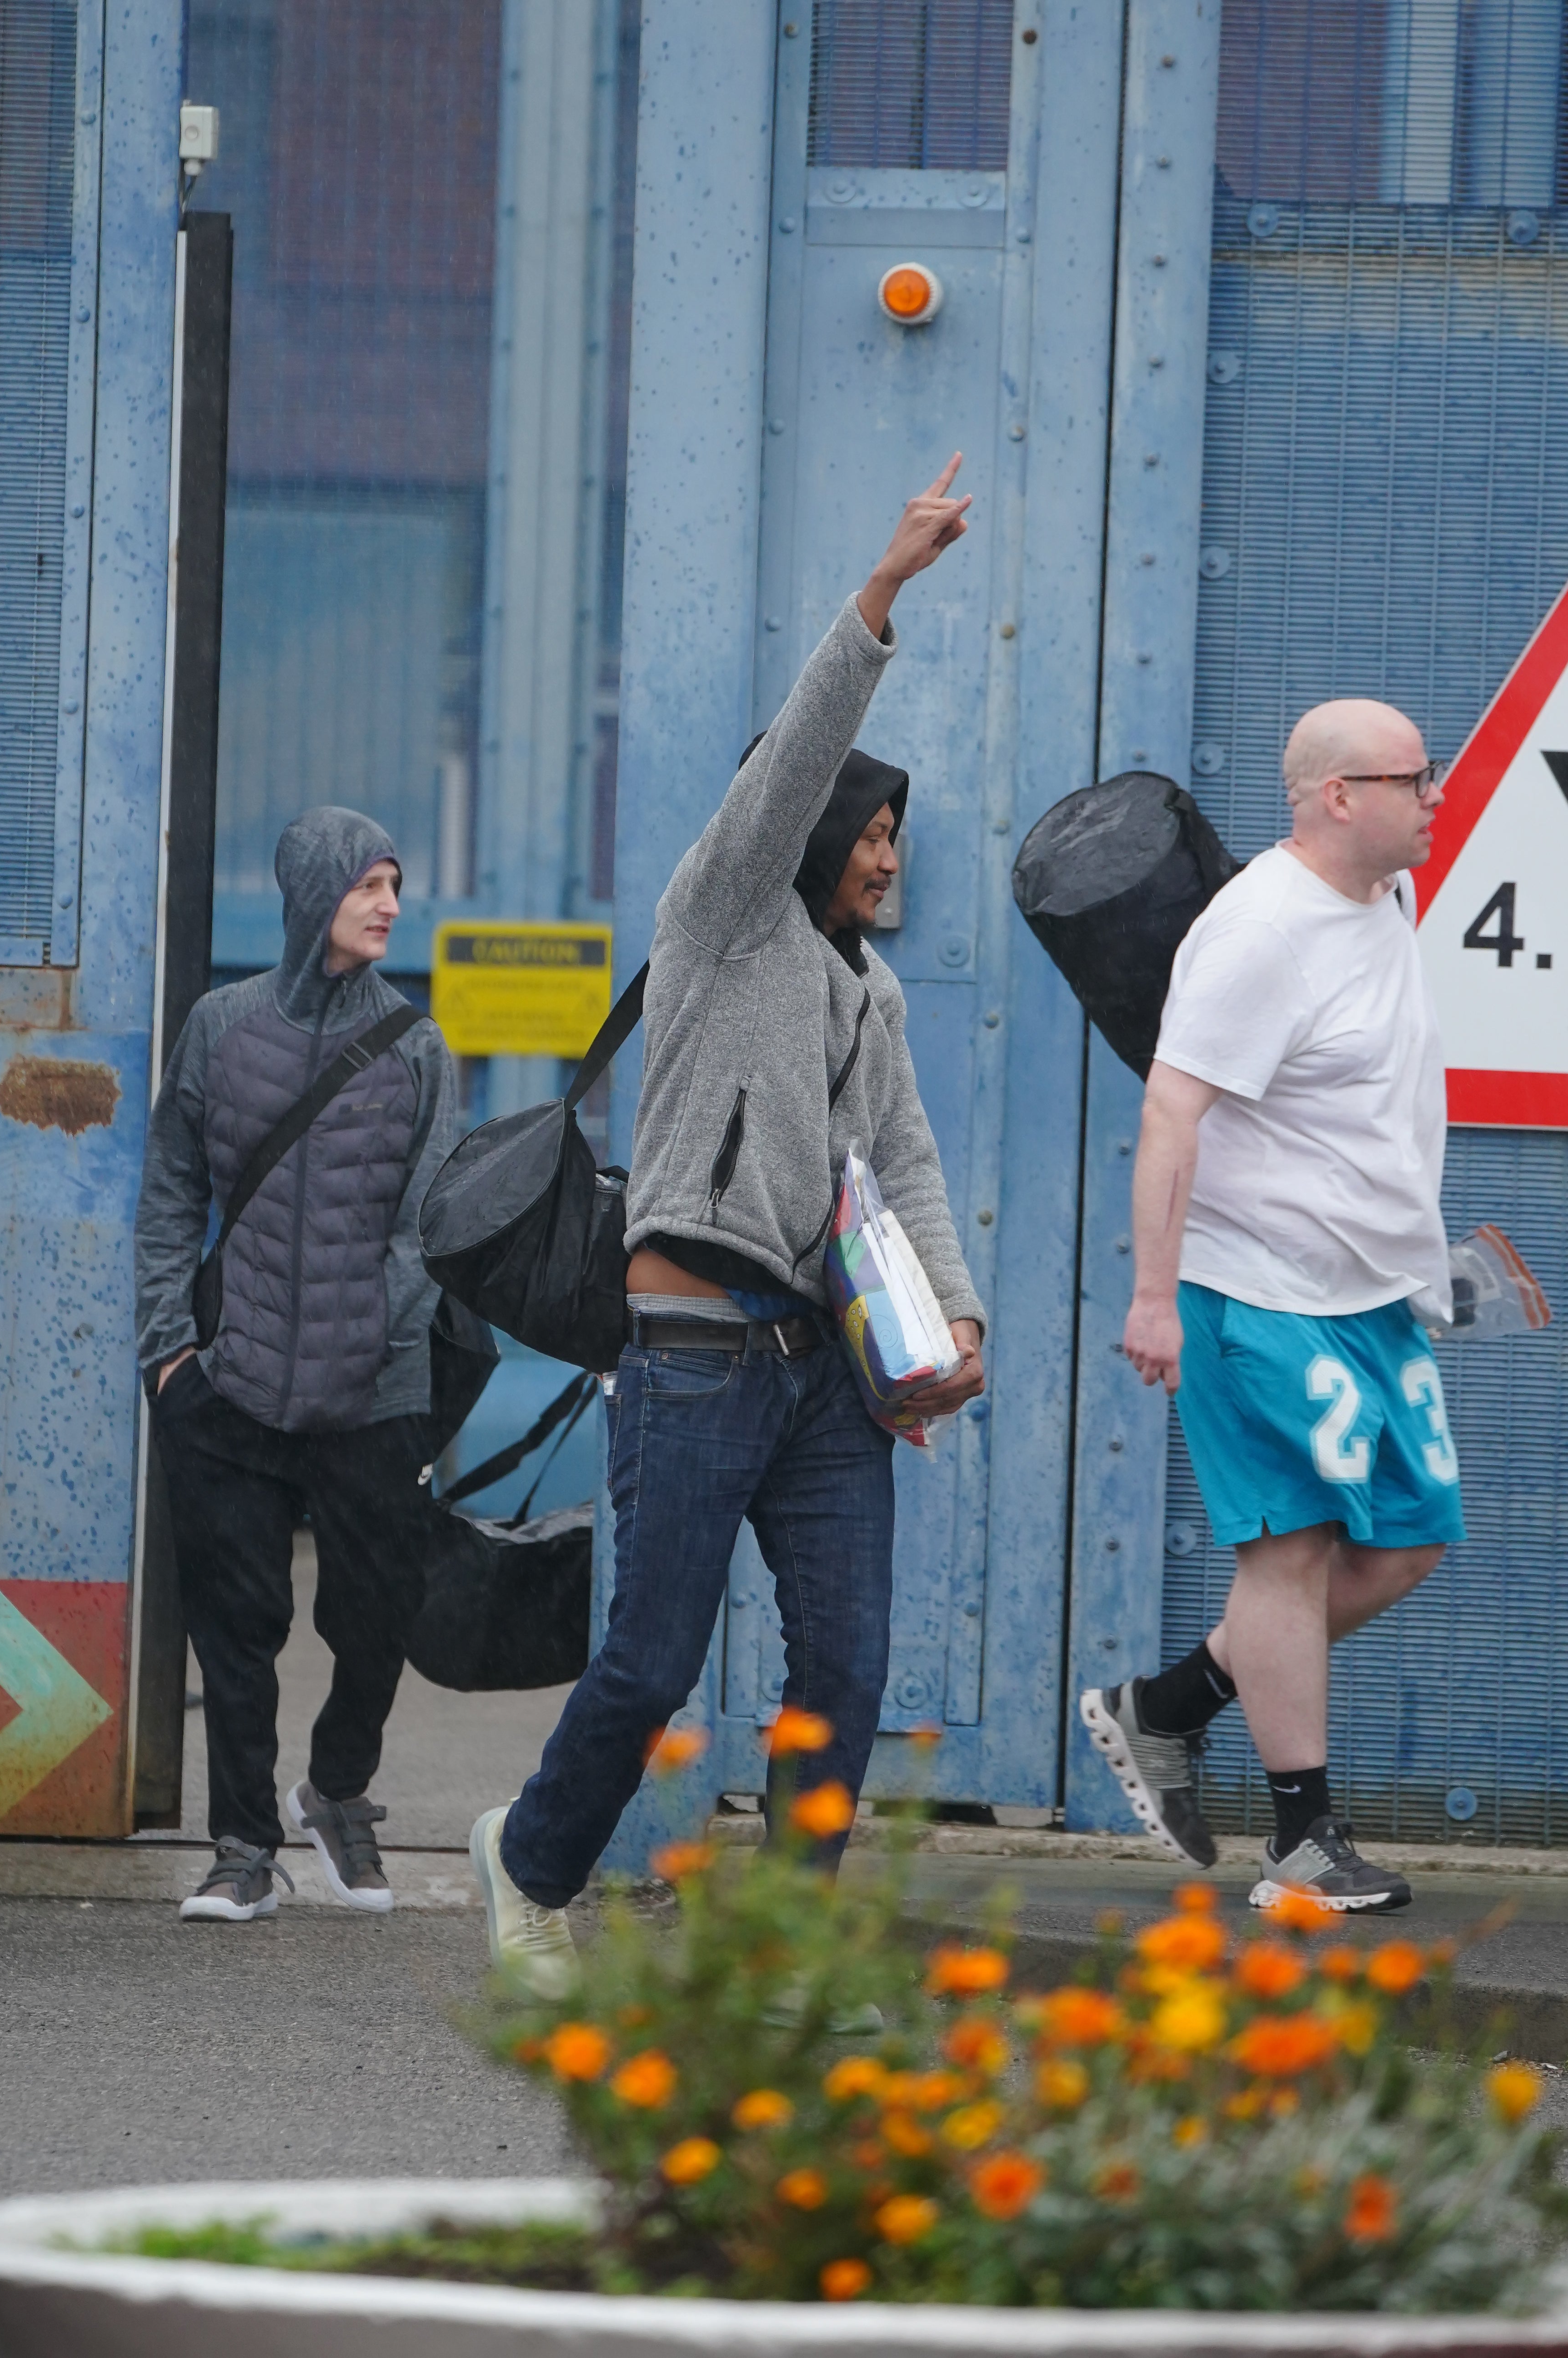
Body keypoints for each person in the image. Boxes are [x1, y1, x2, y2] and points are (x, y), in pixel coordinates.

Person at [471, 461, 987, 1990]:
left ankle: (791, 1953)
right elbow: (788, 767)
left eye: (900, 832)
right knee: (649, 1661)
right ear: (809, 826)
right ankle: (532, 1860)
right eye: (871, 829)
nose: (889, 854)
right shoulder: (720, 916)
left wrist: (951, 1323)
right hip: (696, 1344)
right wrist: (880, 595)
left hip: (822, 1371)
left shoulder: (870, 992)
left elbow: (902, 1161)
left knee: (843, 1663)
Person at [1086, 701, 1462, 1913]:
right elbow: (1171, 1112)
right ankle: (1300, 1846)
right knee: (1290, 1553)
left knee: (1406, 1539)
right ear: (1336, 796)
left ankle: (1171, 1705)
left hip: (1369, 1293)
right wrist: (1154, 1295)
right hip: (1254, 1293)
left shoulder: (1380, 896)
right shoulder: (1256, 932)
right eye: (1413, 778)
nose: (1436, 793)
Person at [135, 809, 456, 1922]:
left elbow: (430, 1226)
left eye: (394, 882)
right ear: (316, 891)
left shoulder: (418, 1046)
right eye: (369, 882)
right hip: (231, 1383)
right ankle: (240, 1847)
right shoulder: (221, 1028)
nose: (389, 904)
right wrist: (169, 1349)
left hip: (375, 1390)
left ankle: (337, 1789)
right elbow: (174, 1185)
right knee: (238, 1617)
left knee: (377, 1610)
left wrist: (375, 1329)